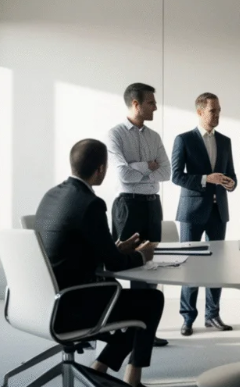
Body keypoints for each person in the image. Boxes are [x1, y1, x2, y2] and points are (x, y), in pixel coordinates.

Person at [34, 139, 163, 387]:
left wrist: (114, 247)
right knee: (150, 302)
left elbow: (73, 247)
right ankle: (130, 379)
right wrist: (142, 255)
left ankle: (99, 368)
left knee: (133, 306)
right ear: (101, 169)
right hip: (73, 306)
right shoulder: (90, 204)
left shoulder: (52, 195)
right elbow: (114, 265)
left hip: (45, 300)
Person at [107, 82, 171, 347]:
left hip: (152, 203)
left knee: (150, 266)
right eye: (151, 102)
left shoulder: (154, 137)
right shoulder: (116, 134)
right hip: (128, 204)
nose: (155, 106)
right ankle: (121, 327)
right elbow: (123, 174)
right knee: (124, 263)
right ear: (136, 104)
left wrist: (138, 168)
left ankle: (146, 329)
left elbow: (166, 172)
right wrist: (148, 166)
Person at [171, 92, 237, 337]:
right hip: (191, 212)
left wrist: (230, 183)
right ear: (200, 112)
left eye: (219, 110)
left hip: (218, 211)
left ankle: (212, 315)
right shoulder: (184, 139)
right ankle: (188, 318)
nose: (217, 115)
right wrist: (204, 179)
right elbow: (176, 176)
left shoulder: (226, 141)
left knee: (216, 266)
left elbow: (232, 174)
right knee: (189, 265)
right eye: (213, 111)